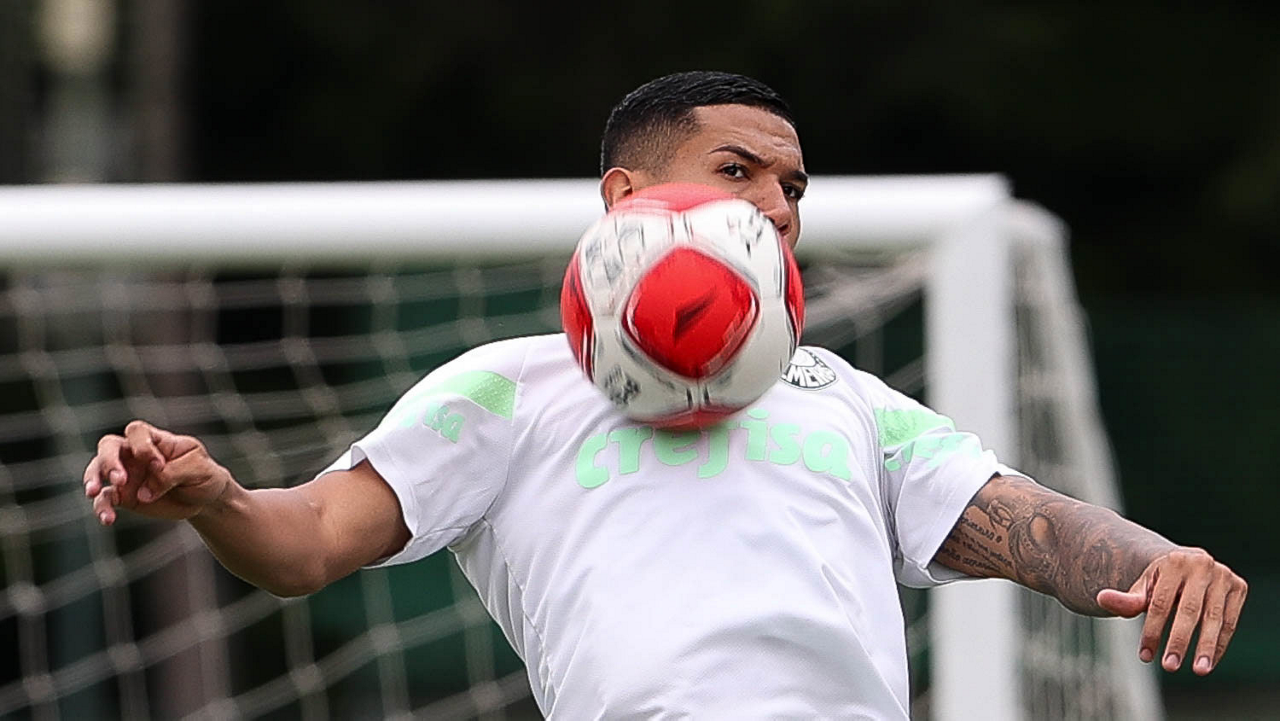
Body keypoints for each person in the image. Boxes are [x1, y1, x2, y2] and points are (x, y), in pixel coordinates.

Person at [82, 71, 1246, 719]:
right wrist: (216, 497)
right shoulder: (506, 389)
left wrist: (1159, 560)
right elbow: (306, 543)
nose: (776, 204)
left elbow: (1030, 522)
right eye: (737, 170)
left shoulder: (844, 400)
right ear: (623, 198)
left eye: (792, 185)